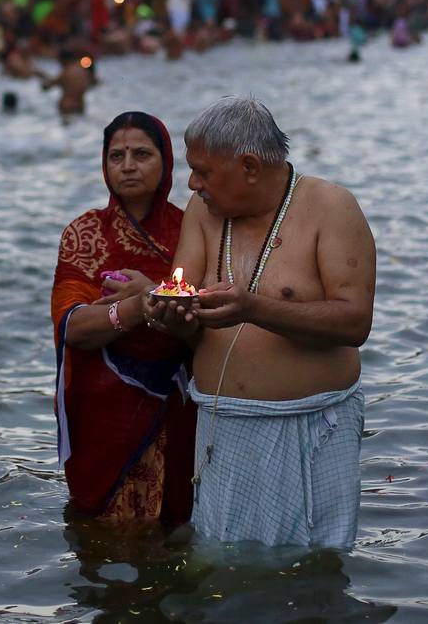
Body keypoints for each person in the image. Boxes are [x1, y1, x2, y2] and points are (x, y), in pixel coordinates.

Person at [142, 96, 375, 549]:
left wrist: (254, 308)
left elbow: (354, 322)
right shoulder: (203, 214)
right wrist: (164, 312)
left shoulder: (331, 207)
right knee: (224, 570)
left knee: (314, 575)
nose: (192, 184)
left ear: (249, 166)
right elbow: (183, 308)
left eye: (204, 171)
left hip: (312, 427)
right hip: (223, 428)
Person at [52, 111, 197, 525]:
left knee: (176, 535)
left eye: (141, 154)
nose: (128, 166)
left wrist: (148, 293)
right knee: (103, 542)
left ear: (166, 162)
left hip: (179, 404)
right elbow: (72, 326)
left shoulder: (191, 229)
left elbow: (205, 312)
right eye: (116, 155)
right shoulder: (85, 234)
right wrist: (136, 308)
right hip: (104, 412)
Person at [41, 49, 94, 118]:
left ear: (64, 59)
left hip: (67, 107)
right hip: (80, 107)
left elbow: (47, 87)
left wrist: (43, 77)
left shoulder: (66, 72)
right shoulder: (84, 72)